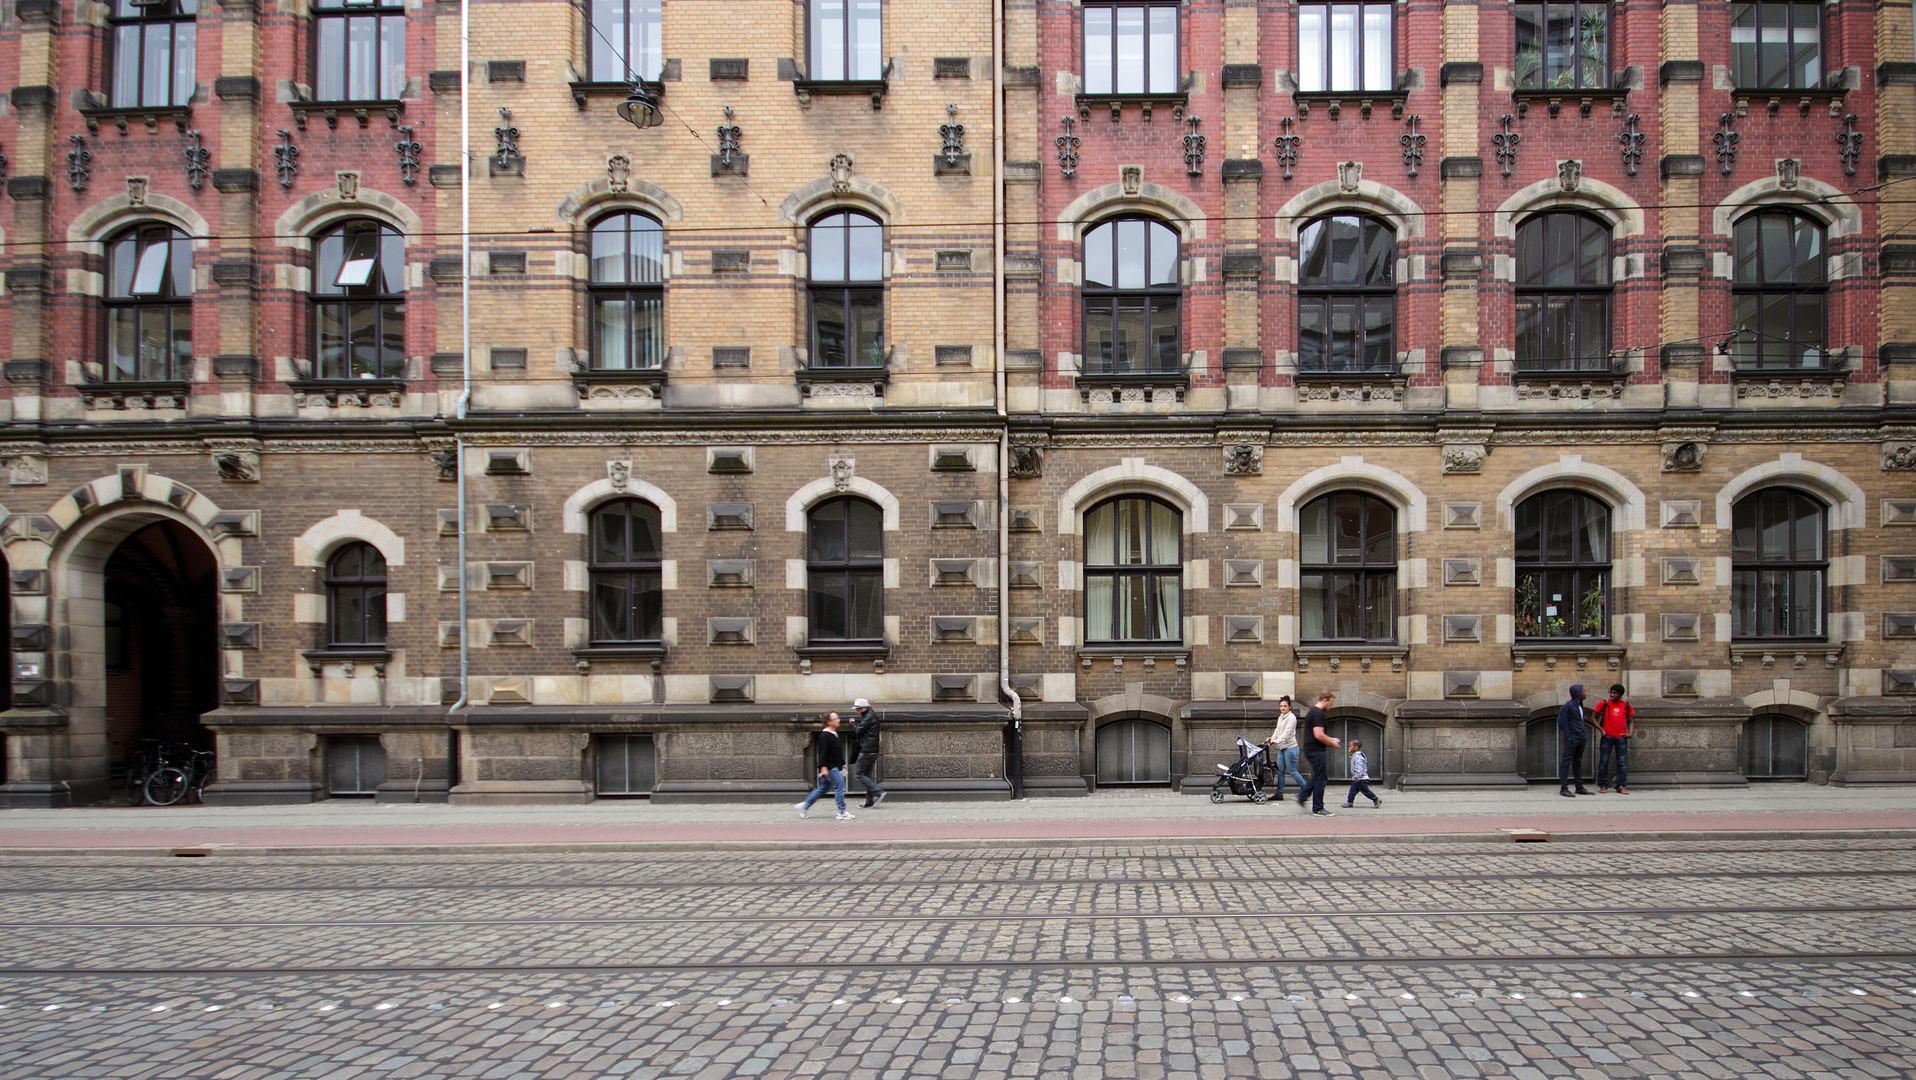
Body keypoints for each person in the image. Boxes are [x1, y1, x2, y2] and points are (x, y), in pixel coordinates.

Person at [796, 712, 854, 820]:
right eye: (836, 719)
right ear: (829, 722)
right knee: (840, 787)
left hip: (833, 766)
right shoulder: (825, 736)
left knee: (822, 789)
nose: (839, 720)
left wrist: (842, 763)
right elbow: (823, 752)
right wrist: (823, 766)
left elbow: (836, 752)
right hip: (830, 767)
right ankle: (842, 811)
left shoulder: (833, 734)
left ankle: (804, 806)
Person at [1295, 691, 1341, 816]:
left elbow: (1319, 734)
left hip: (1311, 749)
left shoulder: (1313, 712)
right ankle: (1318, 808)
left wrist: (1331, 739)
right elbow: (1319, 734)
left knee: (1317, 776)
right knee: (1321, 779)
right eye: (1331, 703)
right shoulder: (1318, 713)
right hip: (1316, 750)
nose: (1331, 706)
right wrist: (1332, 742)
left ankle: (1302, 796)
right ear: (1325, 700)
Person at [1593, 683, 1635, 794]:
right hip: (1607, 736)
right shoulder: (1604, 703)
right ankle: (1603, 785)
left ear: (1620, 694)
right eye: (1611, 692)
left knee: (1622, 762)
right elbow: (1593, 717)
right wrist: (1601, 730)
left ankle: (1621, 785)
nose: (1612, 695)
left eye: (1615, 693)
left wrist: (1630, 733)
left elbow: (1631, 720)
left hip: (1621, 737)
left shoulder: (1626, 705)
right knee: (1603, 761)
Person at [1263, 695, 1306, 802]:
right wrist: (1271, 738)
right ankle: (1279, 793)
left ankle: (1306, 790)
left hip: (1290, 748)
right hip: (1282, 748)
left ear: (1289, 707)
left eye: (1285, 706)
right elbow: (1278, 730)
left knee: (1292, 771)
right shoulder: (1281, 717)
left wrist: (1276, 741)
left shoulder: (1291, 718)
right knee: (1280, 771)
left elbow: (1287, 733)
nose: (1282, 708)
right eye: (1281, 706)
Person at [849, 697, 887, 808]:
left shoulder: (868, 717)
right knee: (867, 776)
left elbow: (858, 731)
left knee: (859, 774)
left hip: (867, 750)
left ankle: (877, 792)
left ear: (863, 708)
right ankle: (869, 801)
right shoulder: (870, 715)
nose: (857, 711)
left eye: (858, 709)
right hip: (872, 750)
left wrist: (852, 723)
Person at [1557, 684, 1593, 798]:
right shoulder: (1568, 706)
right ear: (1578, 693)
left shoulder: (1579, 706)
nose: (1585, 693)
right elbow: (1562, 723)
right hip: (1572, 738)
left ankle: (1579, 787)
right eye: (1583, 691)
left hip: (1581, 738)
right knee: (1566, 762)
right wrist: (1569, 737)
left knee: (1577, 762)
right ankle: (1564, 788)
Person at [1341, 738, 1382, 809]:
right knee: (1352, 790)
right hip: (1357, 778)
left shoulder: (1357, 756)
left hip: (1360, 778)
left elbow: (1359, 767)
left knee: (1365, 791)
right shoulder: (1358, 755)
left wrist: (1357, 776)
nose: (1349, 748)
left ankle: (1376, 799)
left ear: (1356, 747)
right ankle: (1349, 802)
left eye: (1350, 746)